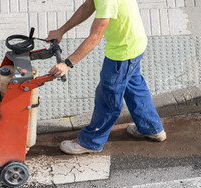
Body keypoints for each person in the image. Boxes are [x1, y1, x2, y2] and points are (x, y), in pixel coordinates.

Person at [46, 0, 166, 154]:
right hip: (135, 44)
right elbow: (88, 5)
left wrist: (67, 64)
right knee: (134, 86)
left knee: (108, 97)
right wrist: (61, 30)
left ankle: (91, 141)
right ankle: (152, 128)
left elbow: (95, 37)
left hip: (122, 53)